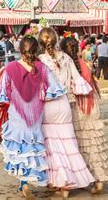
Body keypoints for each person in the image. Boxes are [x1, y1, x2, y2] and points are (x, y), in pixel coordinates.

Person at [0, 36, 65, 199]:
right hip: (35, 112)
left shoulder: (10, 68)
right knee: (32, 146)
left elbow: (2, 94)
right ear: (36, 50)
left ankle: (23, 183)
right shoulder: (42, 68)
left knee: (19, 147)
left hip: (17, 113)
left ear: (20, 50)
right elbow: (54, 91)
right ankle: (27, 181)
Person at [38, 27, 95, 197]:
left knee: (52, 146)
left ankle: (58, 181)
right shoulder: (67, 58)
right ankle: (68, 184)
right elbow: (78, 82)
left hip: (47, 105)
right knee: (68, 144)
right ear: (56, 41)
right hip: (63, 104)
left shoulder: (39, 60)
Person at [60, 36, 108, 194]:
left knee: (80, 146)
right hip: (91, 110)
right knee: (95, 146)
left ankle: (83, 178)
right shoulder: (85, 65)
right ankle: (98, 180)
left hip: (77, 111)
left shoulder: (67, 66)